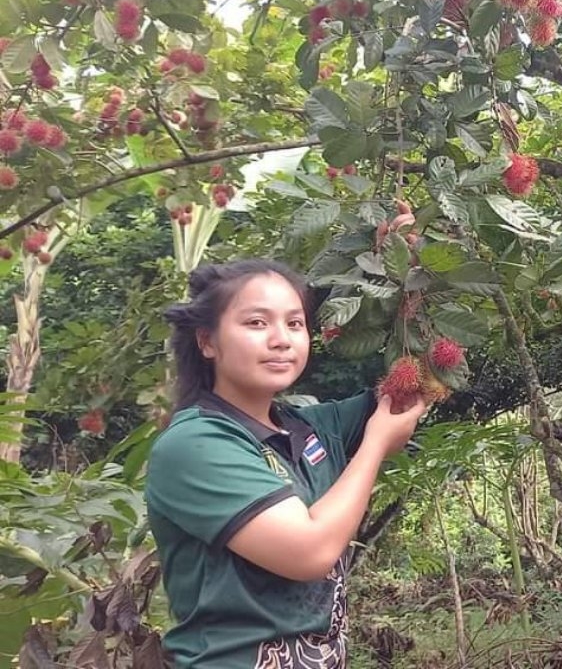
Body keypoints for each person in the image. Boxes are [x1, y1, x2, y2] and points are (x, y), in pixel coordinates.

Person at [145, 259, 428, 668]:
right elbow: (308, 553)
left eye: (295, 324)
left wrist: (409, 262)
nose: (282, 340)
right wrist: (376, 444)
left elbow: (417, 375)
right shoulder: (196, 444)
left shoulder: (310, 427)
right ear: (207, 341)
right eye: (257, 323)